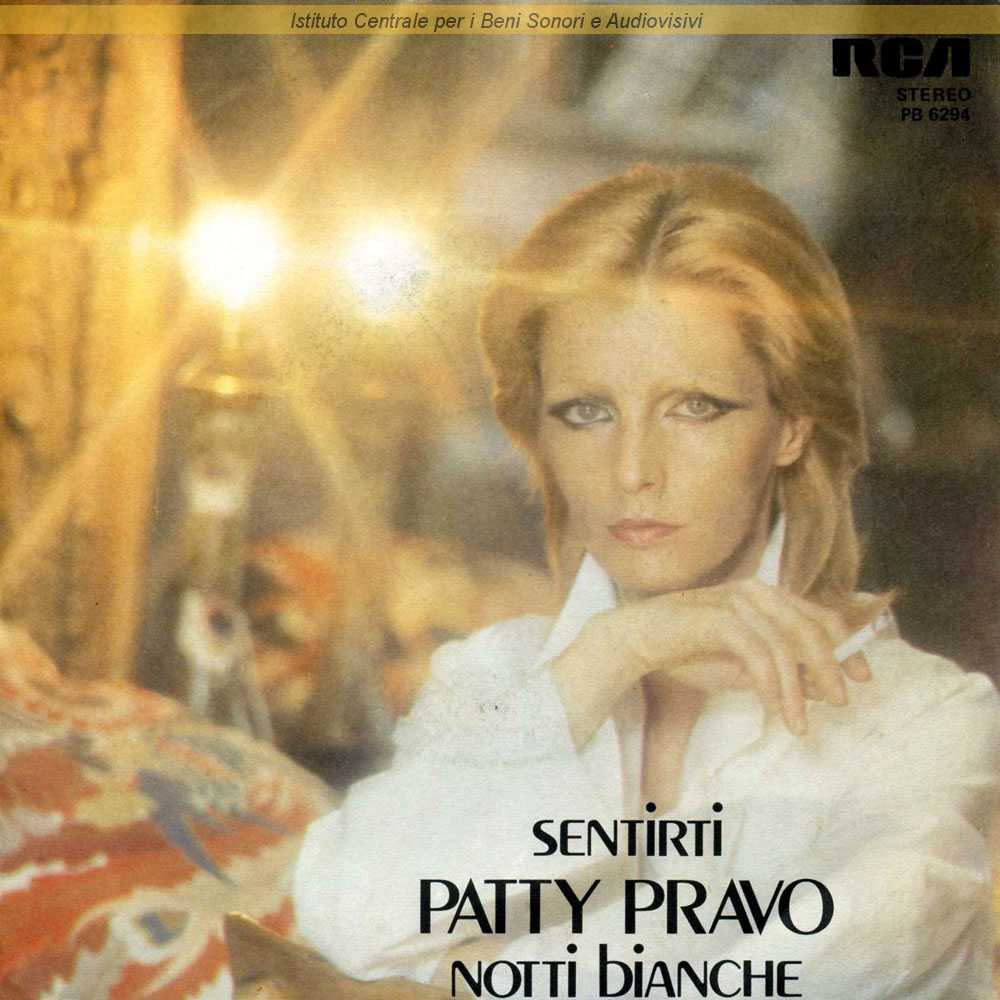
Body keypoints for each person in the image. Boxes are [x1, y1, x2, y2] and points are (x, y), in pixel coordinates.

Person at [294, 164, 1000, 999]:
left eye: (695, 406)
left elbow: (787, 981)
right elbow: (346, 919)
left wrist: (468, 974)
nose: (633, 470)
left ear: (791, 426)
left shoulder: (929, 718)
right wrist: (618, 648)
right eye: (586, 412)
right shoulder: (501, 676)